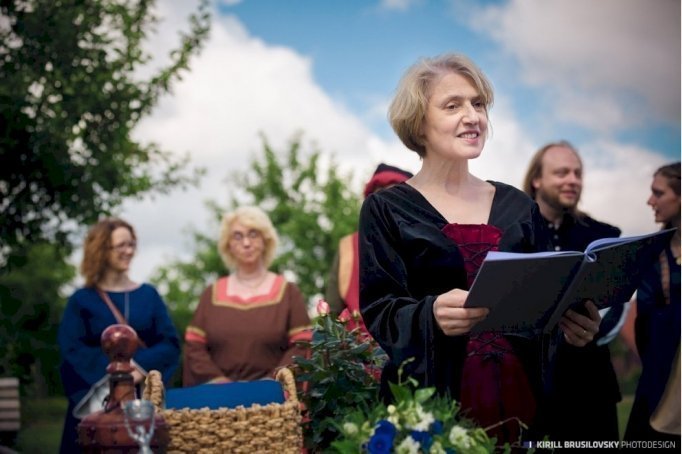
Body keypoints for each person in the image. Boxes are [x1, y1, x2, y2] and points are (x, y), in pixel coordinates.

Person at [358, 53, 600, 445]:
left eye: (478, 104)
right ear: (419, 122)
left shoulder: (519, 206)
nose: (472, 116)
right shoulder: (387, 209)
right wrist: (430, 313)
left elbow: (542, 308)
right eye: (453, 105)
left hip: (527, 404)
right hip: (432, 411)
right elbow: (379, 309)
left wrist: (574, 329)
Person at [521, 140, 622, 441]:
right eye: (562, 172)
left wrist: (593, 330)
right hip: (529, 386)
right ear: (537, 179)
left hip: (590, 386)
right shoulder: (511, 233)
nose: (573, 180)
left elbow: (618, 304)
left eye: (577, 173)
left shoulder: (604, 236)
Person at [58, 218, 180, 454]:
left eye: (132, 244)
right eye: (121, 245)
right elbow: (72, 351)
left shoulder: (149, 295)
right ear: (102, 249)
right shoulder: (82, 300)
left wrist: (137, 367)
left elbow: (169, 344)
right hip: (97, 403)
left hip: (141, 404)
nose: (129, 251)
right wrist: (118, 371)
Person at [183, 206, 312, 386]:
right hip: (217, 401)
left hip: (274, 398)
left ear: (265, 240)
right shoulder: (210, 294)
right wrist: (218, 381)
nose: (246, 243)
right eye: (237, 236)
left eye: (253, 234)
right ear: (228, 245)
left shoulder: (288, 292)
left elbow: (302, 344)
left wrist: (271, 381)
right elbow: (194, 348)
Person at [624, 162, 680, 444]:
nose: (650, 200)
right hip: (657, 384)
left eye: (658, 193)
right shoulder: (652, 253)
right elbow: (640, 323)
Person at [325, 163, 413, 336]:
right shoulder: (348, 247)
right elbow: (332, 312)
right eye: (382, 195)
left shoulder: (422, 241)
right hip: (357, 355)